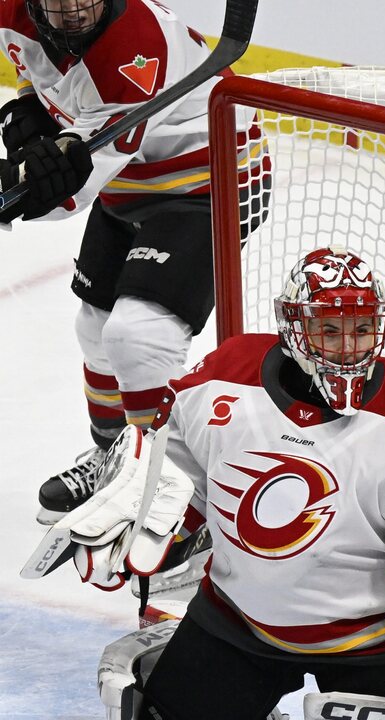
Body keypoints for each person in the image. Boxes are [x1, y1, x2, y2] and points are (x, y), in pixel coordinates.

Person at [51, 246, 385, 719]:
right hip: (236, 622)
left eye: (360, 330)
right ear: (294, 326)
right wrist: (147, 522)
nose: (348, 347)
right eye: (329, 330)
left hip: (370, 644)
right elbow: (179, 468)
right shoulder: (224, 378)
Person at [0, 0, 270, 524]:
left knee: (139, 336)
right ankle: (111, 462)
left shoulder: (133, 52)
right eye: (58, 4)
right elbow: (42, 85)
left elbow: (66, 191)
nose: (75, 12)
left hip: (212, 182)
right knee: (96, 330)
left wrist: (23, 179)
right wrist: (32, 111)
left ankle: (165, 488)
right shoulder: (11, 13)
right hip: (131, 182)